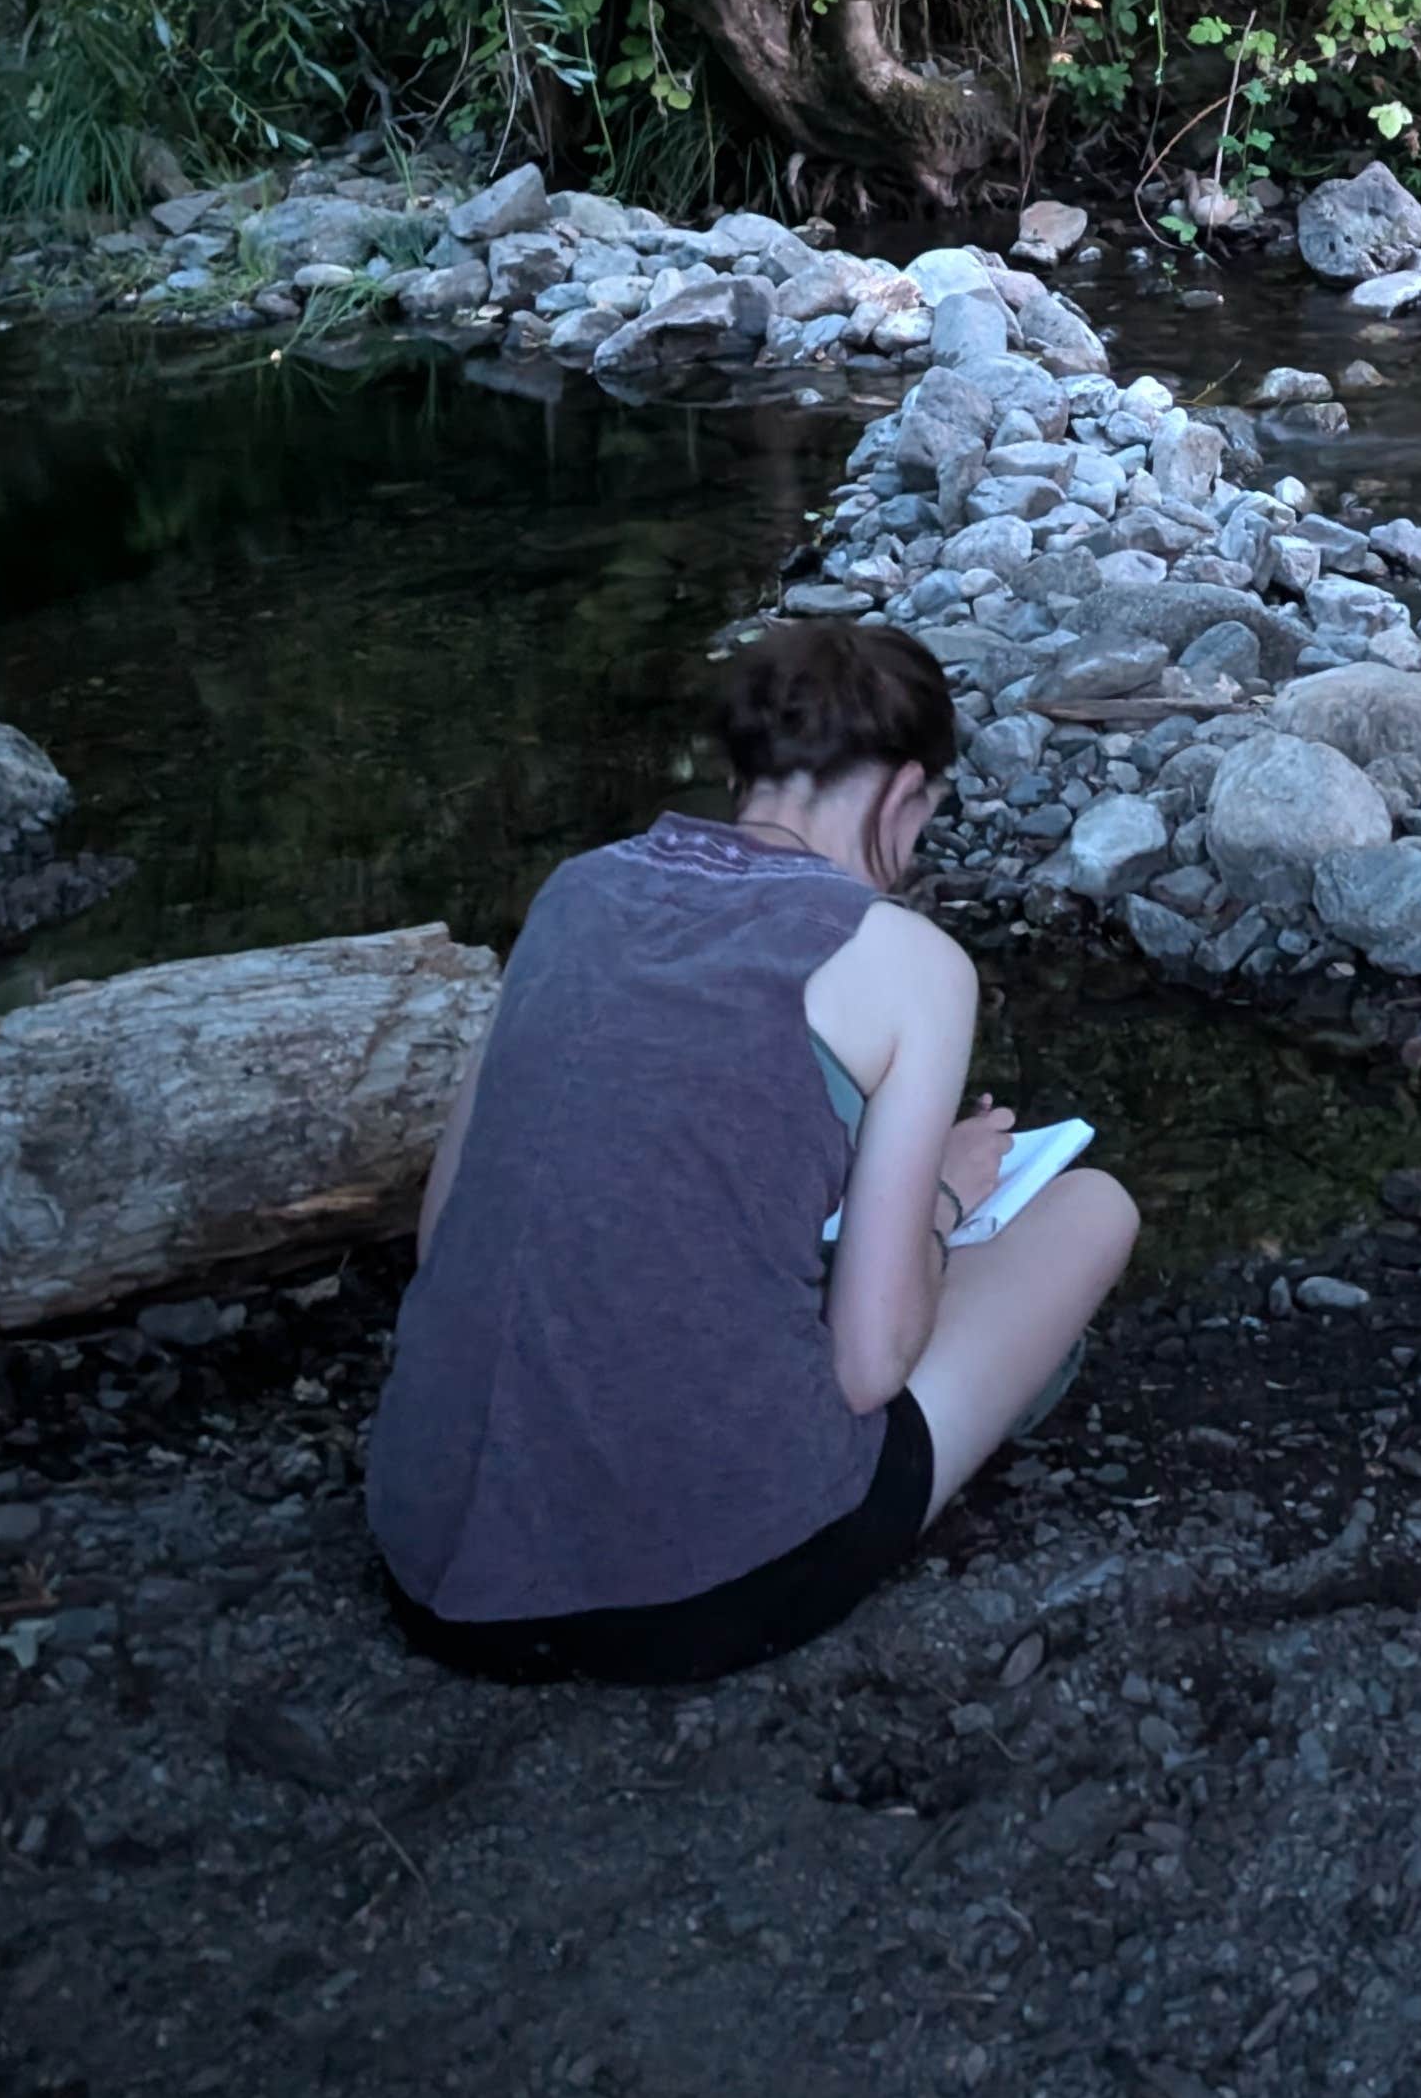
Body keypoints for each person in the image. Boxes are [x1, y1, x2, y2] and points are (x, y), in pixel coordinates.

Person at [365, 619, 1138, 1683]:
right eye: (925, 818)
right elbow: (869, 1369)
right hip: (703, 1587)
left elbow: (442, 1234)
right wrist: (946, 1204)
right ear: (907, 792)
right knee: (1094, 1208)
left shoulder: (576, 891)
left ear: (740, 770)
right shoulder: (908, 960)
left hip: (424, 1553)